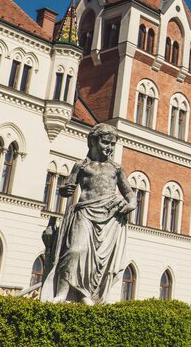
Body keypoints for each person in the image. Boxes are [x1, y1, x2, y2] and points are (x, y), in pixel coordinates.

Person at [40, 123, 137, 304]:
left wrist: (131, 204)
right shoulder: (81, 166)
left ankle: (86, 294)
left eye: (112, 144)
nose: (109, 148)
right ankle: (62, 293)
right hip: (84, 212)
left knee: (96, 262)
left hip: (109, 216)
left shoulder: (116, 168)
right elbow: (67, 187)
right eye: (106, 142)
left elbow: (130, 194)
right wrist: (65, 190)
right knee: (75, 250)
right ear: (93, 141)